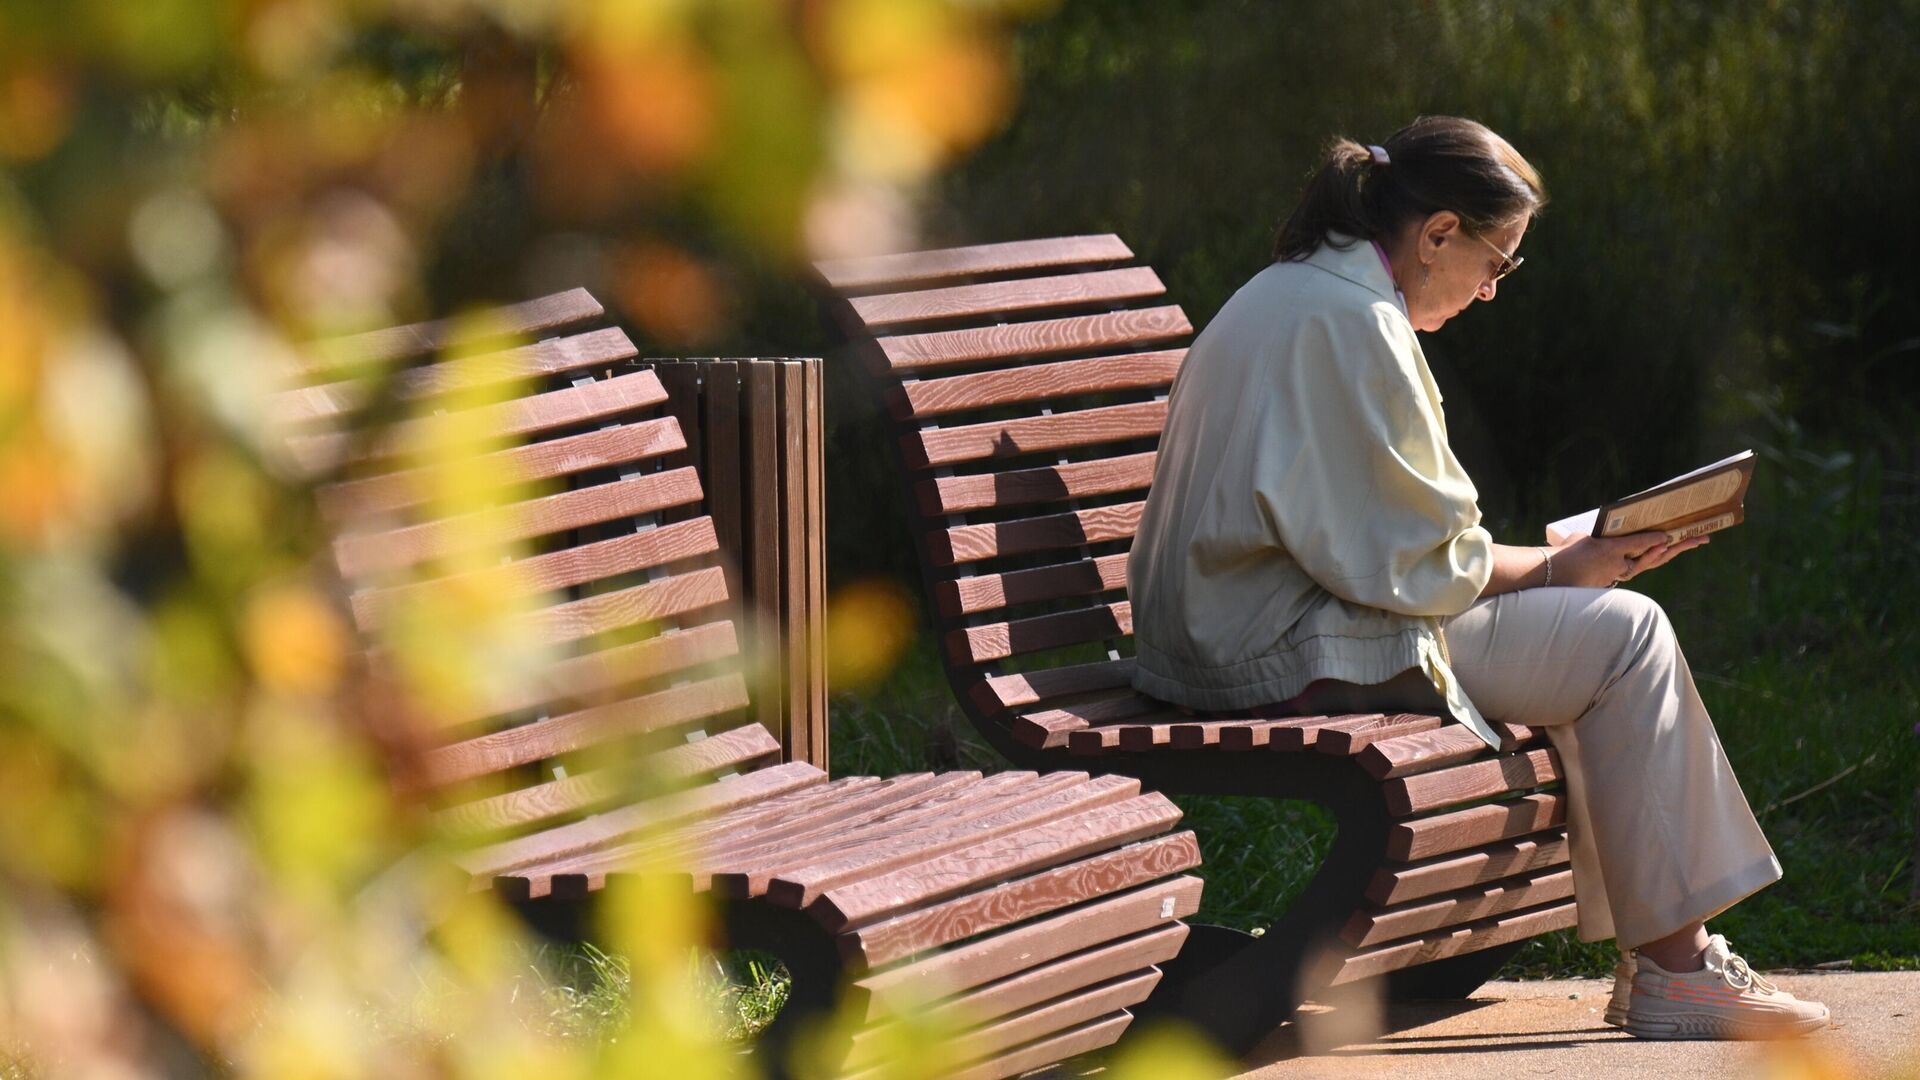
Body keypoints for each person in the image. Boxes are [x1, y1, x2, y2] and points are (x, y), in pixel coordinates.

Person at [1127, 115, 1830, 1040]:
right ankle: (1675, 971)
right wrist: (1562, 566)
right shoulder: (1356, 322)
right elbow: (1428, 563)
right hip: (1270, 649)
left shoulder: (1299, 291)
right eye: (1497, 264)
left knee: (1594, 626)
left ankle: (1671, 964)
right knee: (1624, 636)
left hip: (1234, 629)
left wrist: (1559, 570)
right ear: (1440, 233)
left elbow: (1393, 546)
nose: (1492, 292)